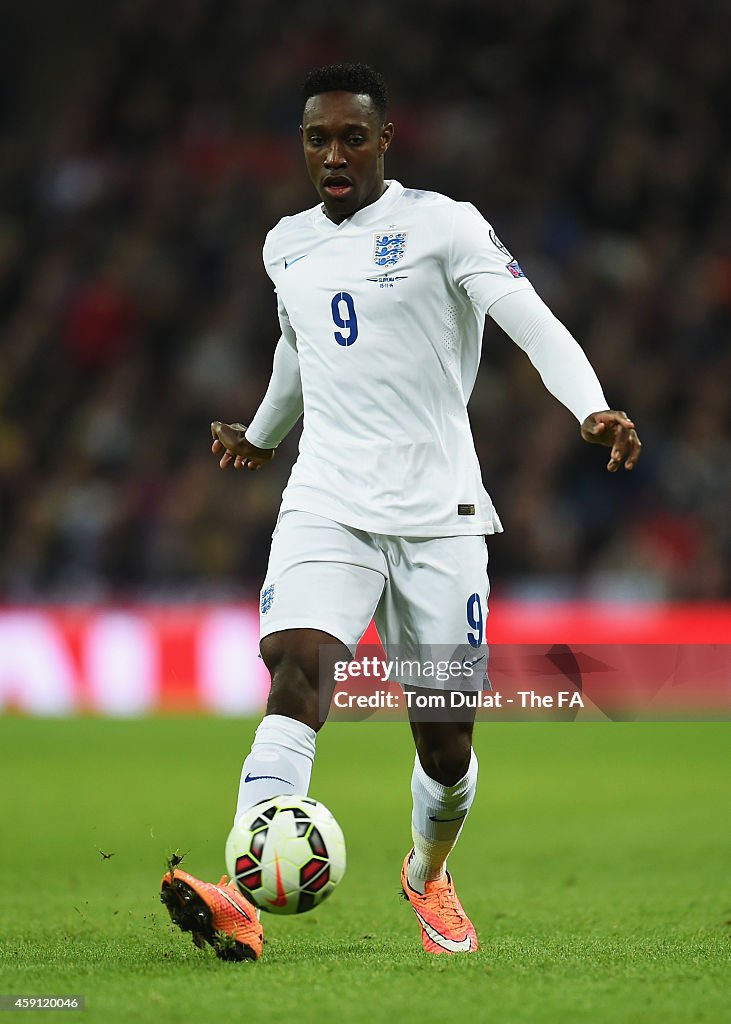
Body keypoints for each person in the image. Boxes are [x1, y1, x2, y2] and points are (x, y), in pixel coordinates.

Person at [160, 62, 641, 961]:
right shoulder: (285, 244)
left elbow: (526, 317)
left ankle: (426, 873)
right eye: (316, 139)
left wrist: (589, 405)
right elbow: (297, 349)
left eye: (351, 136)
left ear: (387, 140)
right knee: (296, 671)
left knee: (447, 747)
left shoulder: (443, 225)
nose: (333, 154)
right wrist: (266, 435)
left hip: (439, 510)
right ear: (301, 146)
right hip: (327, 498)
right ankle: (241, 889)